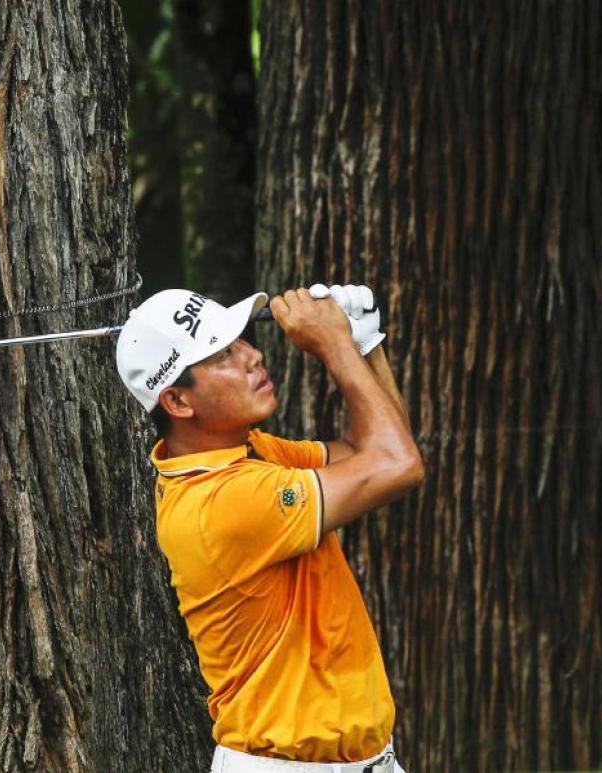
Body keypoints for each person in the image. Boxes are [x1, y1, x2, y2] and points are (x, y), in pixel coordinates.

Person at [115, 285, 424, 772]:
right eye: (223, 354)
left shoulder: (250, 453)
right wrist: (335, 345)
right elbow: (398, 465)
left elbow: (379, 448)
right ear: (176, 400)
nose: (254, 356)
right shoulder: (223, 502)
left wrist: (366, 345)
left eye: (241, 341)